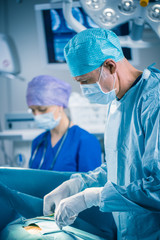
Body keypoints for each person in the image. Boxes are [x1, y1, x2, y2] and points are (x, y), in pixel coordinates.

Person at [43, 28, 160, 239]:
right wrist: (78, 184)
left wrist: (92, 197)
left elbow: (158, 186)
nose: (84, 90)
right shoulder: (117, 103)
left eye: (85, 81)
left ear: (110, 65)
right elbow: (122, 166)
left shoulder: (154, 101)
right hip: (130, 231)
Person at [26, 75, 102, 172]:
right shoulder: (38, 142)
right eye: (33, 110)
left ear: (60, 106)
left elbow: (92, 184)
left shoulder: (86, 141)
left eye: (42, 109)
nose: (37, 115)